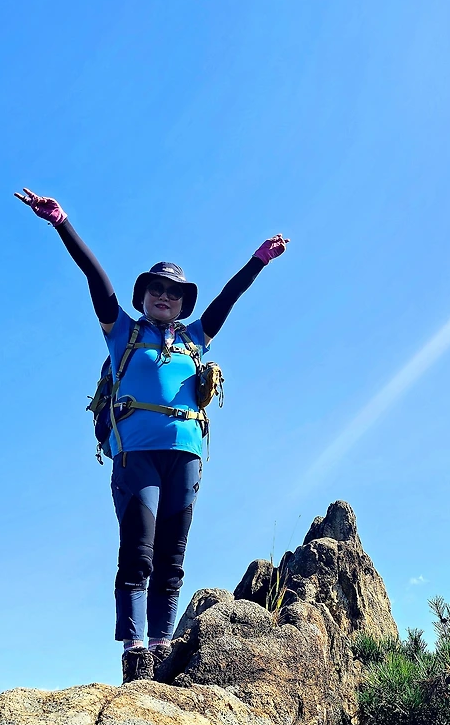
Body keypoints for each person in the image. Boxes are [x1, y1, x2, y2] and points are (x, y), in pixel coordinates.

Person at [15, 188, 289, 683]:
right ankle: (135, 650)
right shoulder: (122, 332)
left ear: (183, 304)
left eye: (174, 292)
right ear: (142, 296)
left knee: (172, 556)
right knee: (137, 550)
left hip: (186, 454)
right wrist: (61, 222)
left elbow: (228, 299)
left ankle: (162, 646)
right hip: (136, 454)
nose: (165, 296)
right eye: (156, 289)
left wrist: (258, 261)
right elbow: (96, 279)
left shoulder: (195, 338)